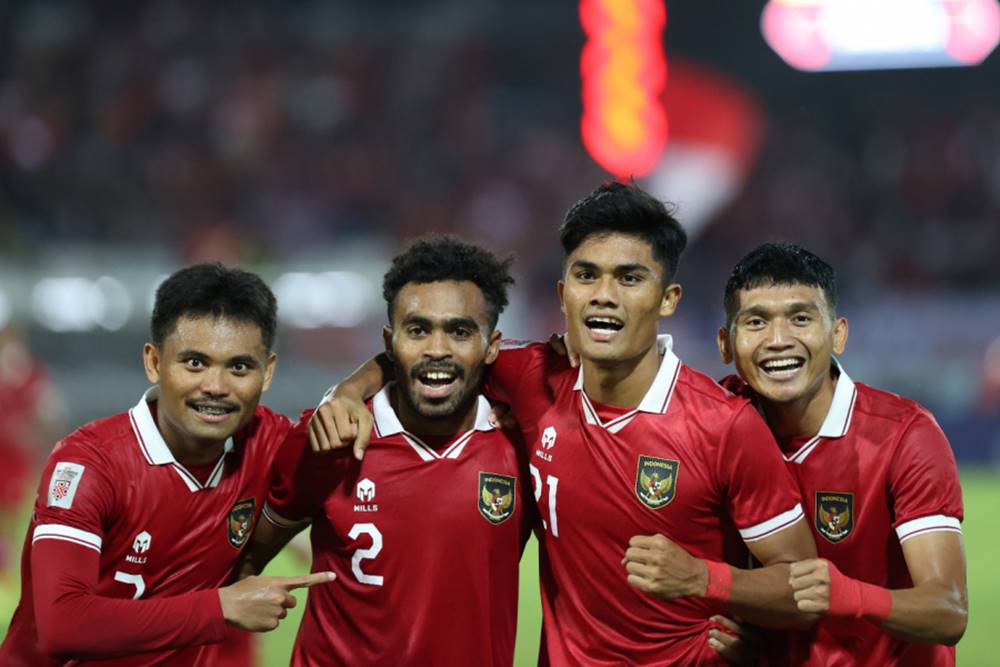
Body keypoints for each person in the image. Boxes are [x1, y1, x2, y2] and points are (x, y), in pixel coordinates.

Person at [320, 183, 818, 665]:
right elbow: (433, 356)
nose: (604, 295)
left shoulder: (724, 426)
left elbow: (807, 587)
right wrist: (347, 390)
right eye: (586, 275)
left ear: (668, 298)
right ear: (563, 293)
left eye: (629, 278)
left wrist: (702, 580)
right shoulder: (534, 380)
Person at [0, 263, 333, 667]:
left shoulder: (270, 443)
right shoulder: (91, 464)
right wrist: (219, 607)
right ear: (154, 362)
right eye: (195, 363)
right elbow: (62, 626)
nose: (215, 386)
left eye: (239, 367)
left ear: (268, 373)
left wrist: (357, 386)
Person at [241, 236, 532, 666]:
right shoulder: (330, 435)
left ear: (492, 347)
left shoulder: (522, 443)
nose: (437, 349)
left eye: (459, 331)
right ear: (389, 341)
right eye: (418, 330)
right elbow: (246, 558)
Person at [715, 241, 967, 665]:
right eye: (756, 322)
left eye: (800, 319)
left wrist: (848, 595)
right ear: (726, 344)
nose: (778, 340)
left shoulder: (904, 435)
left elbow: (948, 611)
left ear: (838, 334)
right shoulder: (711, 423)